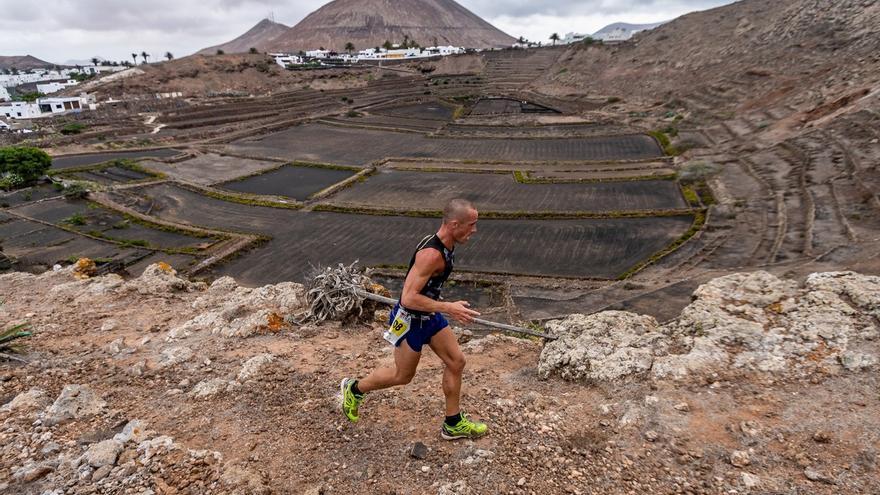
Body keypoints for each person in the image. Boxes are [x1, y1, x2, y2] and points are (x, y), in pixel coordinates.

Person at [341, 198, 488, 440]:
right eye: (471, 224)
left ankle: (452, 423)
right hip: (410, 321)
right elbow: (408, 298)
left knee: (456, 362)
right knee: (403, 376)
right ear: (454, 224)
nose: (474, 230)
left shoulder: (446, 244)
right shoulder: (431, 254)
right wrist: (448, 307)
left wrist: (442, 309)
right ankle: (354, 388)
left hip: (430, 317)